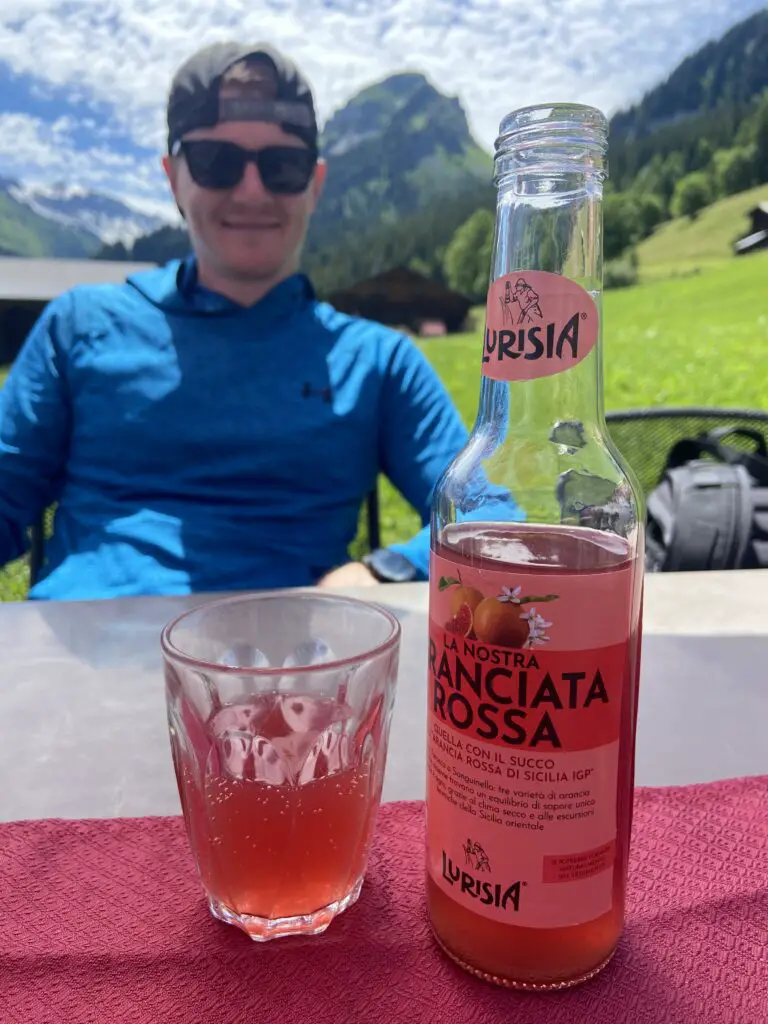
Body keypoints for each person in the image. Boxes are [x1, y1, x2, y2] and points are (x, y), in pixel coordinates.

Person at [0, 41, 476, 601]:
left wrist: (388, 567)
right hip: (78, 666)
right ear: (173, 177)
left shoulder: (381, 362)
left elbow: (485, 515)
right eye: (216, 162)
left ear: (315, 184)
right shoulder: (78, 325)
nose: (252, 190)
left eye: (283, 165)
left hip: (290, 671)